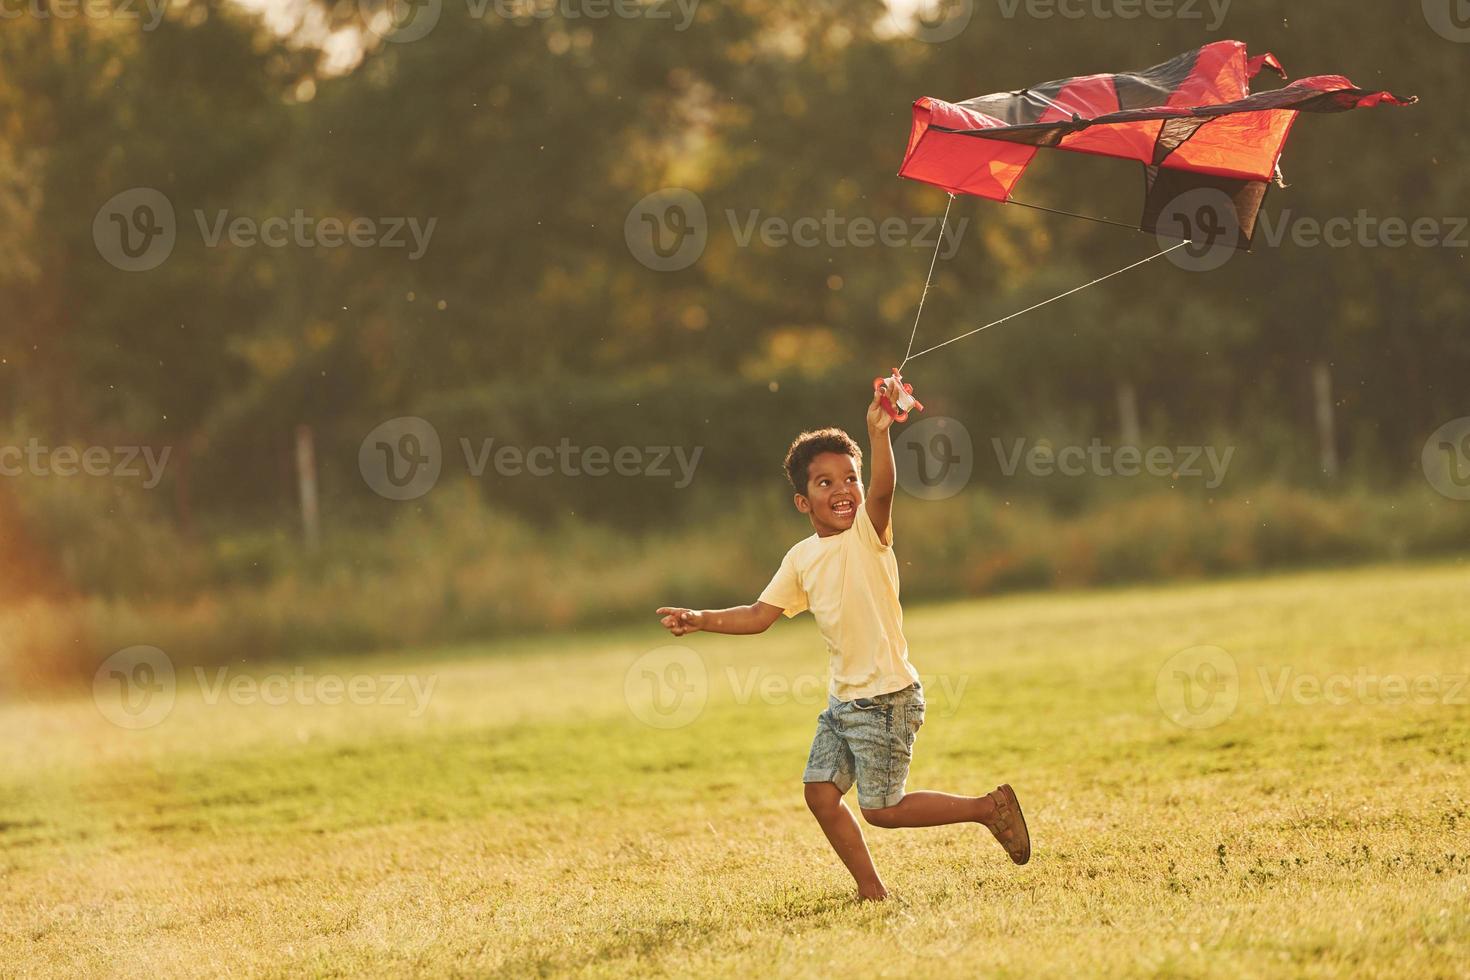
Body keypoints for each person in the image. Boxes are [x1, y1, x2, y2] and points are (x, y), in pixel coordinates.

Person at [656, 377, 1029, 902]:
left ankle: (988, 808)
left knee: (881, 811)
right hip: (845, 701)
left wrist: (879, 433)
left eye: (848, 478)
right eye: (825, 483)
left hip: (887, 699)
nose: (843, 490)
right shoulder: (801, 559)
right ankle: (871, 891)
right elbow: (760, 614)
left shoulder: (868, 536)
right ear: (802, 502)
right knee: (820, 794)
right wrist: (700, 618)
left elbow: (883, 490)